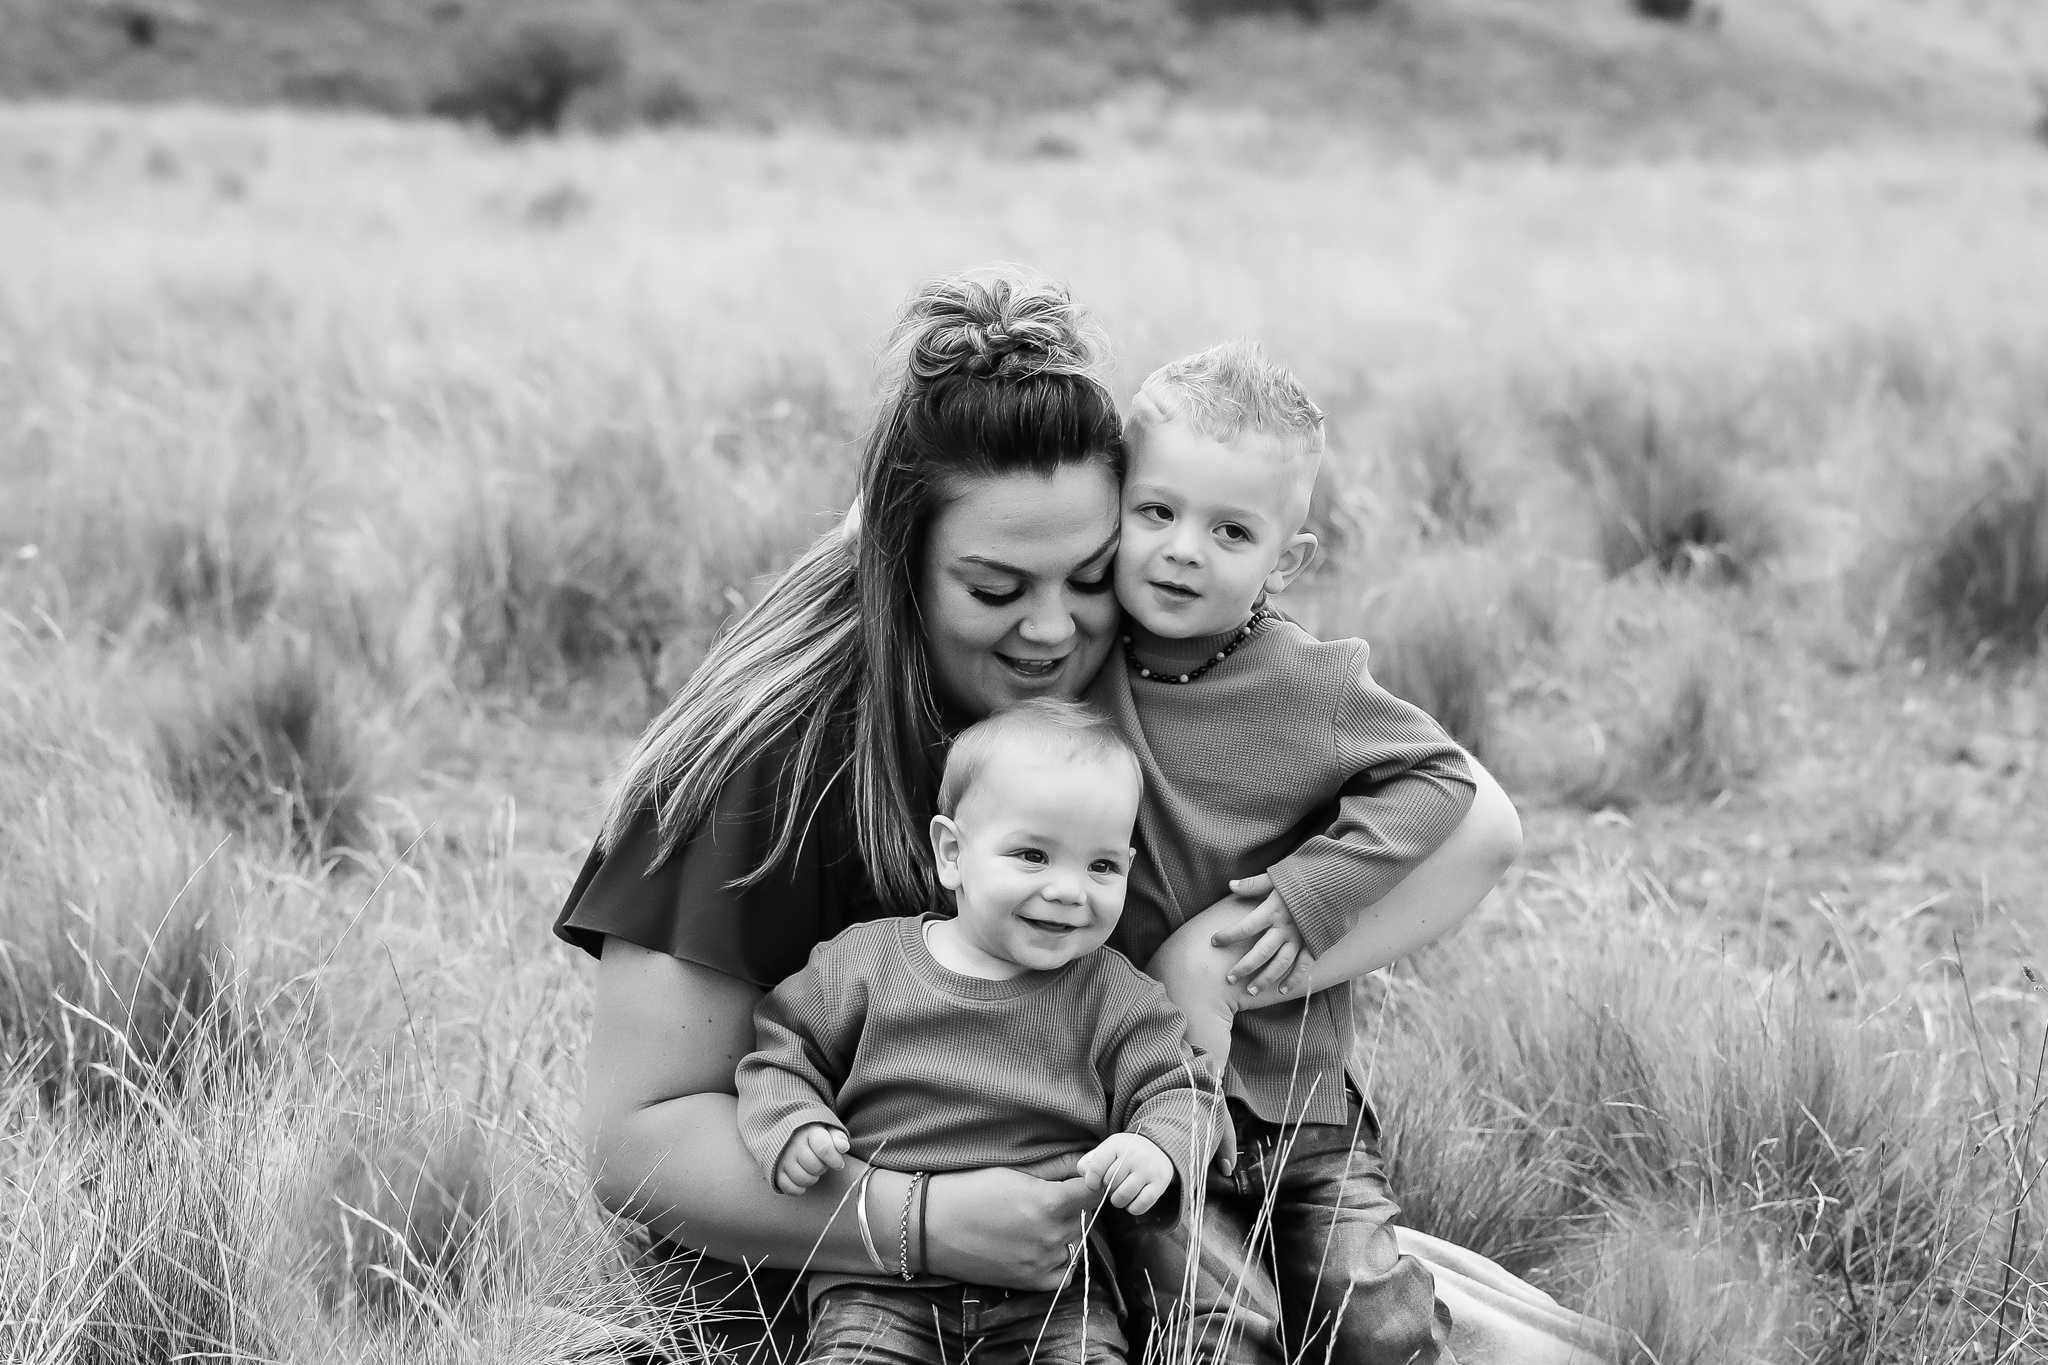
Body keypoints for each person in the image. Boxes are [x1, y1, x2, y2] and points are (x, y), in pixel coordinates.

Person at [553, 264, 1571, 1365]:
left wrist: (1214, 961)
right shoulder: (768, 763)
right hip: (829, 1268)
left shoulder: (1133, 644)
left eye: (1087, 578)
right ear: (896, 569)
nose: (1050, 631)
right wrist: (923, 1222)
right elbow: (635, 1140)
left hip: (1112, 1231)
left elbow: (1478, 823)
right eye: (995, 591)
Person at [1091, 340, 1472, 1364]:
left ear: (1285, 561)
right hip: (1150, 1107)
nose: (1182, 551)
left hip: (1302, 1104)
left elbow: (1439, 780)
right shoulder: (1076, 662)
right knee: (1214, 1331)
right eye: (1156, 512)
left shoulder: (1310, 685)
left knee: (1374, 1323)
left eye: (1229, 531)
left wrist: (1314, 888)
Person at [735, 700, 1223, 1365]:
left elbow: (1186, 1089)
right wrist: (793, 1121)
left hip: (1053, 1287)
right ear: (953, 853)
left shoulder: (1117, 998)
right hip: (879, 1285)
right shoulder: (864, 966)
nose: (1069, 890)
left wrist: (1158, 1146)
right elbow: (781, 1052)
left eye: (1102, 866)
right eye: (1032, 855)